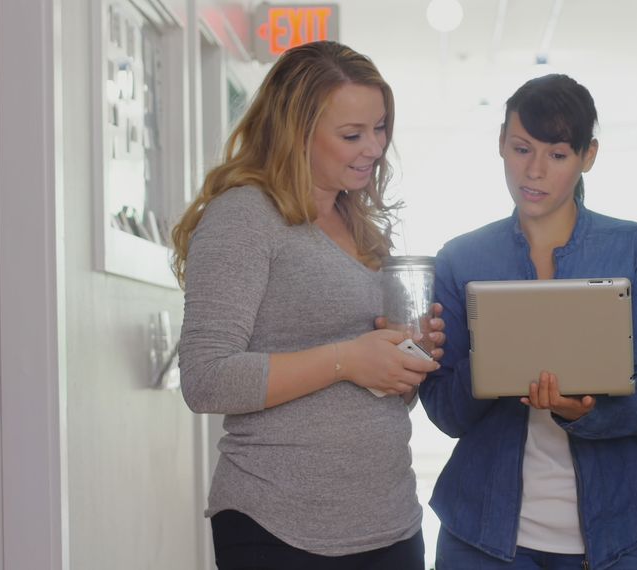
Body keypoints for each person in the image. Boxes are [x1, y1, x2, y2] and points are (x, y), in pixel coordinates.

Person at [171, 41, 445, 570]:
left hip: (390, 520)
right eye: (352, 135)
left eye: (381, 127)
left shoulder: (362, 226)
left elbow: (375, 395)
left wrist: (405, 360)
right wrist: (348, 359)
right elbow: (204, 378)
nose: (374, 147)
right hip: (279, 527)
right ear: (296, 132)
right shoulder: (246, 216)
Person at [419, 74, 637, 569]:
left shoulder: (635, 249)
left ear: (589, 156)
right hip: (482, 538)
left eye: (557, 155)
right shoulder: (461, 258)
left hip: (613, 536)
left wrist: (583, 413)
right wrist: (494, 358)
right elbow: (445, 415)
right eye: (521, 149)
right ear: (500, 143)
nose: (533, 171)